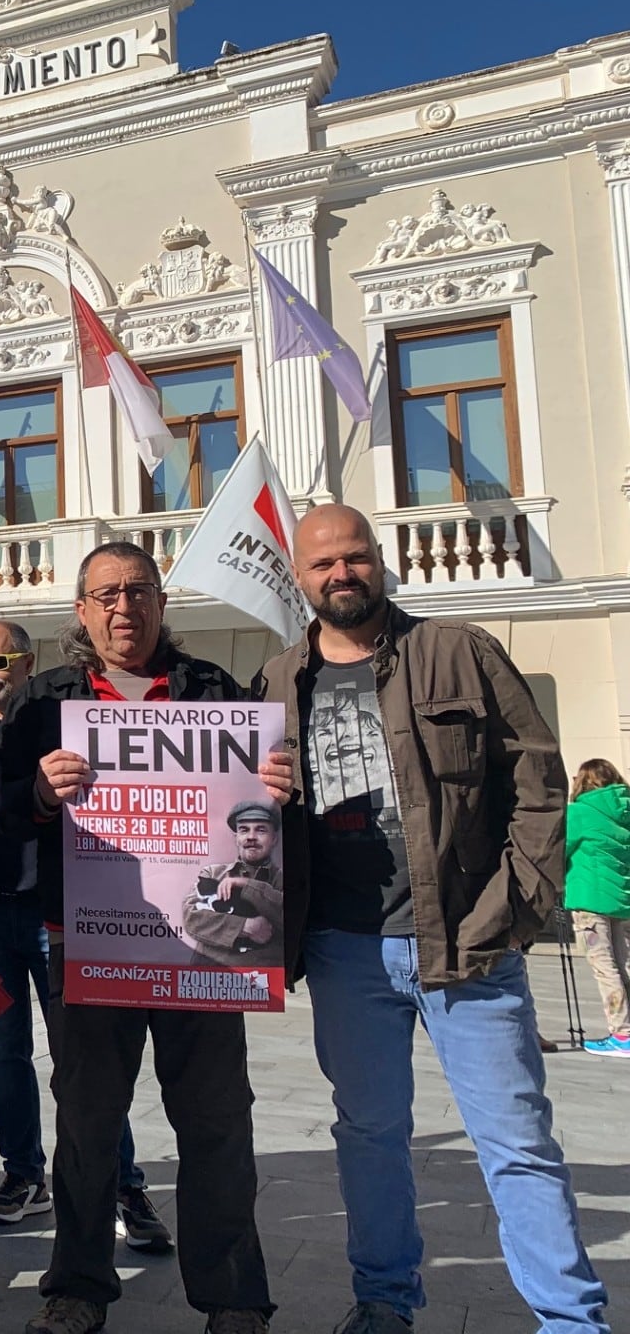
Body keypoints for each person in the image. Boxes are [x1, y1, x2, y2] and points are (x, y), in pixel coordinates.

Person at [255, 503, 608, 1334]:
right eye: (322, 565)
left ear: (377, 561)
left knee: (518, 1143)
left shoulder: (460, 650)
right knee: (368, 1137)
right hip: (345, 951)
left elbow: (538, 782)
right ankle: (384, 1301)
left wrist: (516, 908)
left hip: (468, 945)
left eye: (354, 558)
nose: (341, 574)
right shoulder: (277, 681)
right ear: (300, 579)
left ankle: (571, 1320)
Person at [0, 542, 282, 1334]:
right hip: (89, 944)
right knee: (87, 1122)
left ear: (162, 603)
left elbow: (255, 818)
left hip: (206, 953)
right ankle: (79, 1287)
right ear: (82, 613)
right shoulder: (42, 702)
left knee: (218, 1120)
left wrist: (279, 790)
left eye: (139, 591)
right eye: (107, 596)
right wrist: (37, 796)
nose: (125, 608)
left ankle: (233, 1298)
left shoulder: (217, 694)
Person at [0, 620, 167, 1263]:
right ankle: (25, 1174)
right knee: (5, 1055)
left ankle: (122, 1187)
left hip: (56, 911)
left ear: (29, 663)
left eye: (1, 661)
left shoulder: (65, 720)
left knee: (82, 1059)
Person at [565, 759, 630, 1057]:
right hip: (622, 898)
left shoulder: (579, 812)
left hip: (590, 898)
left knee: (605, 966)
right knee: (623, 964)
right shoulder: (625, 811)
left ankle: (622, 1032)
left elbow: (560, 849)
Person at [180, 801, 284, 965]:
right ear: (236, 838)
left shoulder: (281, 880)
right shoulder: (213, 874)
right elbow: (191, 917)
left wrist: (246, 885)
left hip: (262, 980)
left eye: (261, 830)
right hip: (209, 975)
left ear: (274, 839)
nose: (251, 837)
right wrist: (244, 927)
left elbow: (287, 916)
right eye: (244, 830)